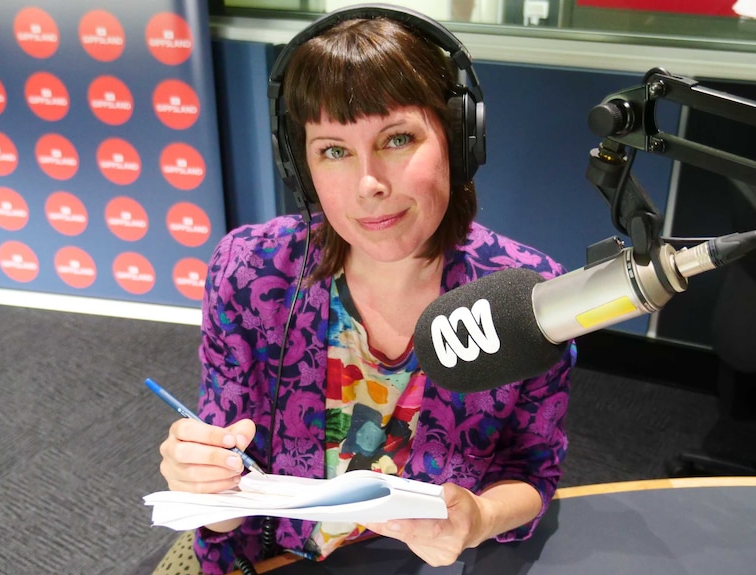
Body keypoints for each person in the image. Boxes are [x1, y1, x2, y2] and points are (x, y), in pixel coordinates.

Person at [158, 6, 574, 575]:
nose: (369, 185)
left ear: (458, 139)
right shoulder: (251, 272)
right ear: (300, 166)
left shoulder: (525, 298)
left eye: (398, 138)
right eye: (334, 150)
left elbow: (531, 472)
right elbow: (230, 497)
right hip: (273, 559)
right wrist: (205, 483)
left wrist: (476, 517)